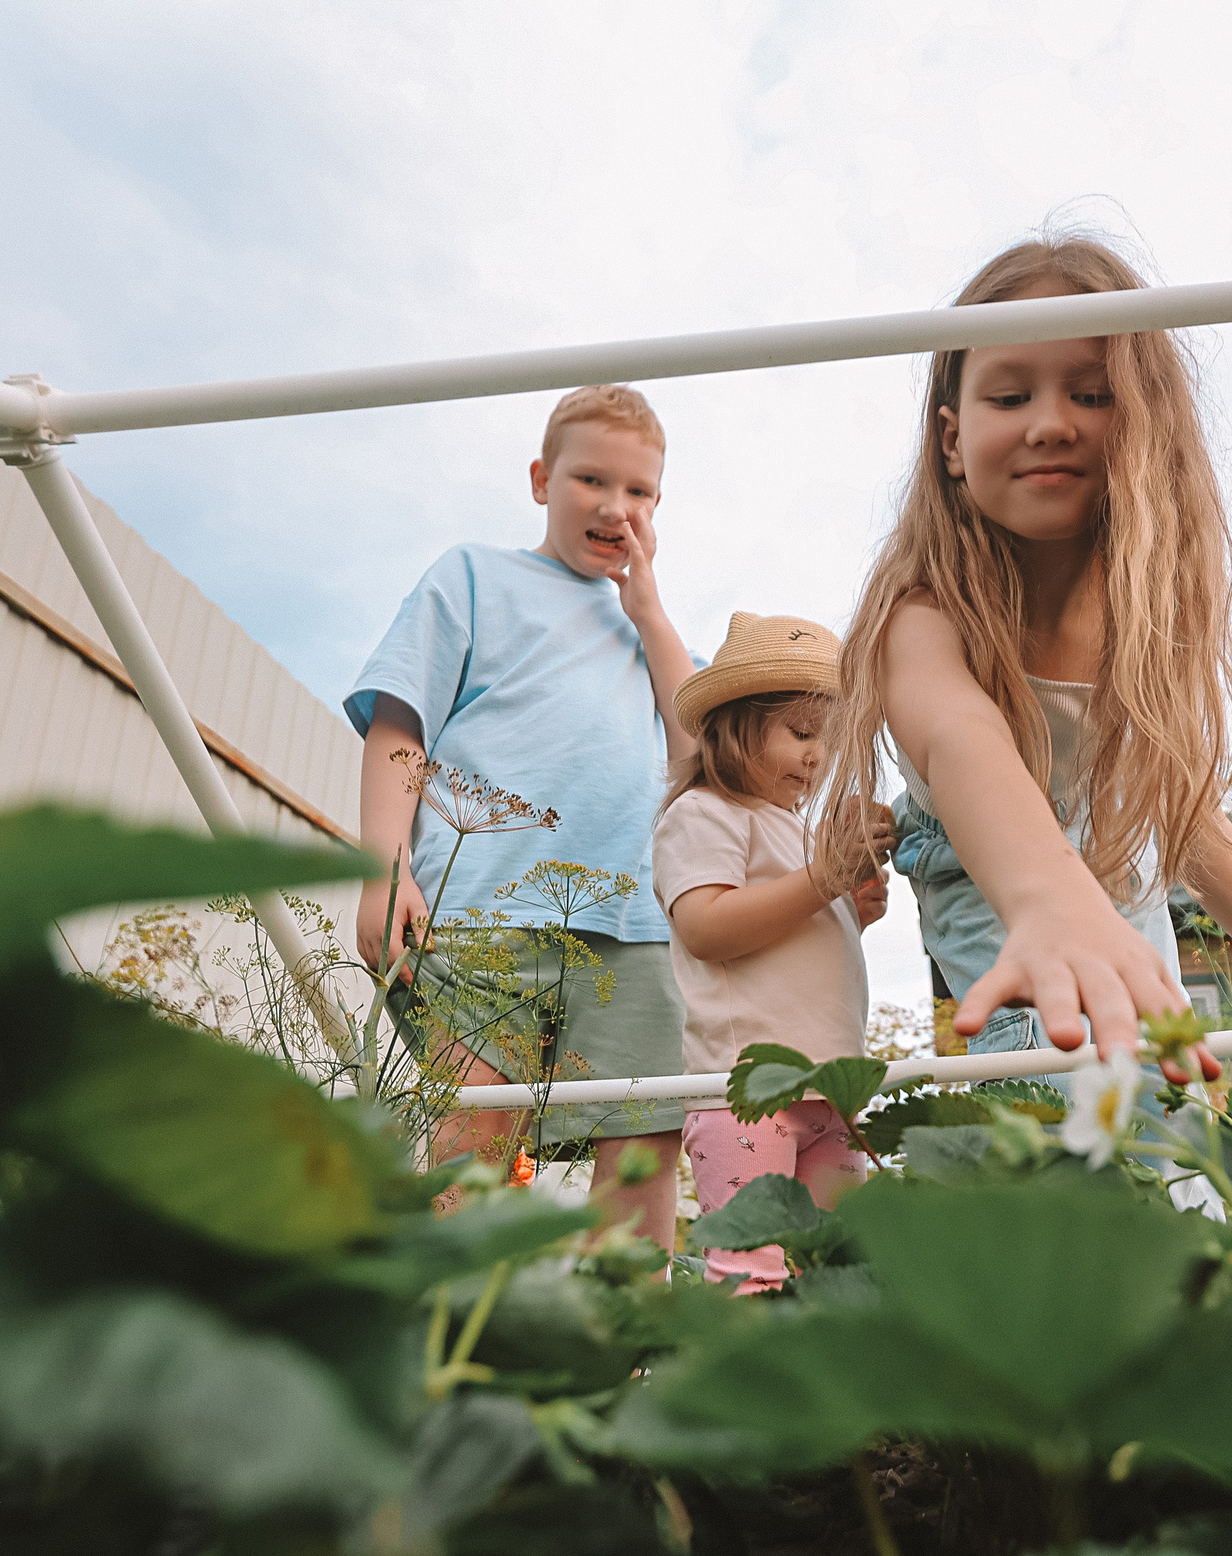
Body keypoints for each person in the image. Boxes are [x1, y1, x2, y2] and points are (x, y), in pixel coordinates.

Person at [828, 233, 1232, 1077]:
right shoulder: (922, 618)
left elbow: (1186, 820)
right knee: (1089, 1131)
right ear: (952, 441)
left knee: (1183, 1168)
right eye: (1010, 396)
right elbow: (961, 738)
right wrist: (1048, 898)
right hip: (1036, 1011)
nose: (1049, 422)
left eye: (1092, 392)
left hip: (1148, 998)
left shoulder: (1139, 632)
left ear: (1148, 425)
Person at [348, 383, 696, 1246]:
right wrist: (385, 870)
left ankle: (621, 1352)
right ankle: (453, 1337)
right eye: (591, 480)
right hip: (485, 909)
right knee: (477, 1135)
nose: (616, 507)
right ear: (542, 479)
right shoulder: (474, 575)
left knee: (645, 1138)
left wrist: (648, 608)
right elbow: (400, 726)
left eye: (640, 491)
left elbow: (700, 755)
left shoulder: (647, 631)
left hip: (636, 920)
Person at [651, 613, 893, 1292]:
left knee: (836, 1271)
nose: (818, 756)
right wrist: (823, 880)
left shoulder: (791, 831)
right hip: (747, 1093)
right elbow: (706, 925)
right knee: (753, 1274)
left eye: (828, 741)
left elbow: (791, 945)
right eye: (802, 733)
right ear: (734, 724)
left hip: (829, 1090)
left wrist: (854, 908)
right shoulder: (703, 814)